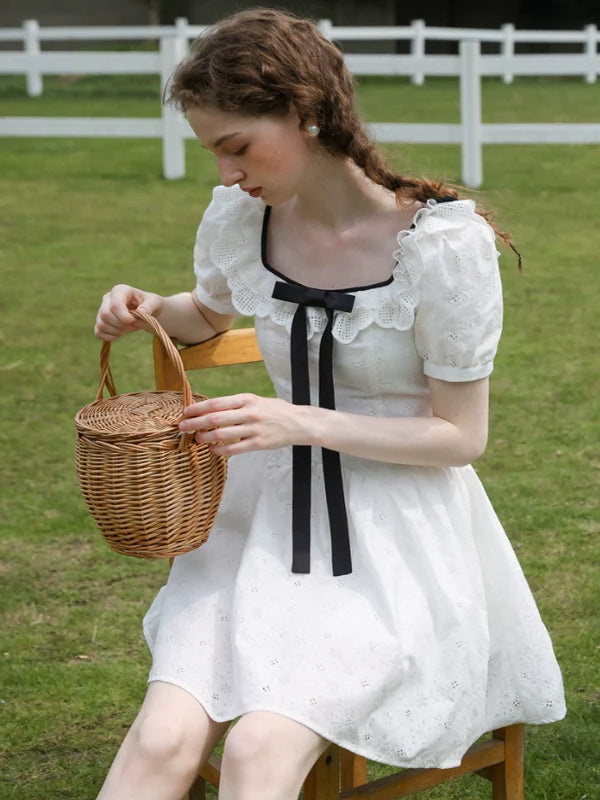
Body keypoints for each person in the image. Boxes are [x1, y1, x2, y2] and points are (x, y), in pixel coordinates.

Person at [94, 8, 565, 800]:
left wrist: (296, 421)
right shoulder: (243, 220)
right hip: (261, 530)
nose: (226, 173)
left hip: (394, 543)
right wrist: (146, 305)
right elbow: (209, 314)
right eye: (215, 152)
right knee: (163, 737)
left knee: (256, 754)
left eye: (236, 146)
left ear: (307, 111)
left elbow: (462, 436)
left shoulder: (441, 247)